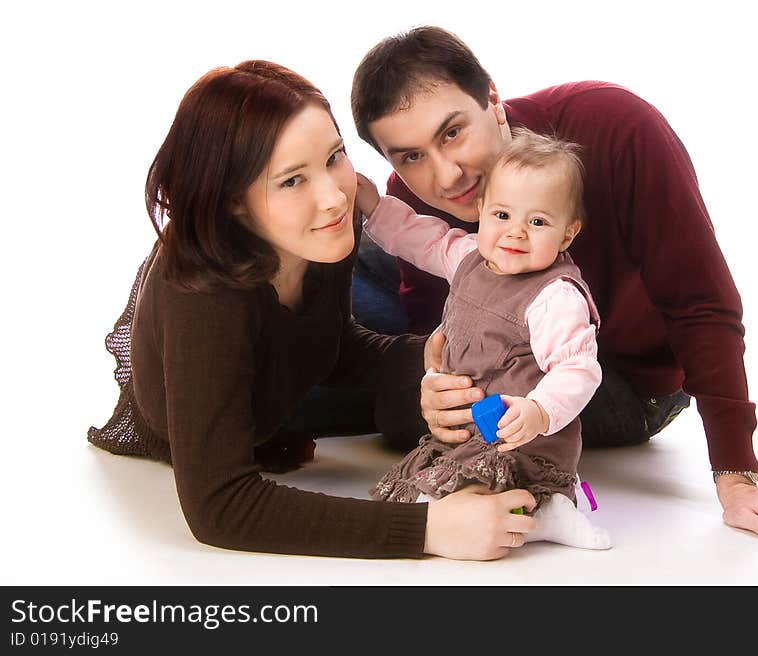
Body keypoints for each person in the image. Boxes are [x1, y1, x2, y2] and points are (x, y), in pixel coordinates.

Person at [349, 26, 758, 547]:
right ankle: (283, 385)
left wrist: (736, 477)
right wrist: (435, 381)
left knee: (387, 402)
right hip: (499, 354)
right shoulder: (411, 195)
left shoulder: (613, 125)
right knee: (345, 244)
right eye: (409, 156)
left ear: (493, 100)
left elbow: (699, 301)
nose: (448, 175)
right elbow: (441, 323)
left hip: (614, 378)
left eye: (453, 132)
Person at [87, 60, 537, 560]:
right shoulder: (204, 293)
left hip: (275, 393)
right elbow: (219, 506)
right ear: (234, 202)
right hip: (205, 423)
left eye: (333, 157)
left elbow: (329, 347)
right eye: (291, 181)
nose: (333, 196)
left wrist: (434, 358)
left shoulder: (322, 232)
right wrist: (428, 529)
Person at [358, 128, 610, 550]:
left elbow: (577, 368)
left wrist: (539, 410)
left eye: (538, 221)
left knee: (483, 488)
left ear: (567, 234)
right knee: (435, 485)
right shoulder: (470, 257)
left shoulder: (555, 295)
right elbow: (421, 237)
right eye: (502, 215)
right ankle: (538, 510)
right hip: (470, 430)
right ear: (481, 211)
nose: (515, 233)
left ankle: (549, 508)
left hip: (525, 439)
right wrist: (370, 204)